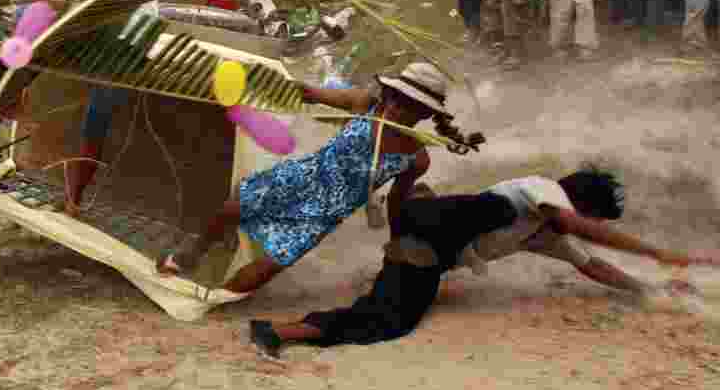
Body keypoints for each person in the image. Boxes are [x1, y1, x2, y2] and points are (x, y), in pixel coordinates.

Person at [249, 168, 717, 360]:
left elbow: (592, 265)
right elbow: (576, 229)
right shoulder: (544, 192)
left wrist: (647, 290)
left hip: (421, 247)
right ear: (582, 203)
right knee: (387, 322)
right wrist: (658, 254)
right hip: (422, 241)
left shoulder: (540, 230)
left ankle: (406, 200)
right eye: (593, 215)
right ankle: (279, 332)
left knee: (390, 302)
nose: (588, 222)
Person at [156, 62, 485, 295]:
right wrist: (269, 84)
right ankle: (192, 255)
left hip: (325, 213)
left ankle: (215, 298)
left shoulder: (416, 158)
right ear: (388, 94)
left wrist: (396, 239)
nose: (399, 110)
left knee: (268, 268)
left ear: (427, 114)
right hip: (301, 177)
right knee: (232, 209)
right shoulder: (363, 104)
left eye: (412, 108)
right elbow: (311, 94)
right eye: (397, 99)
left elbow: (398, 200)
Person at [16, 0, 155, 217]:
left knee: (29, 19)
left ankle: (14, 99)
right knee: (96, 121)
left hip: (114, 41)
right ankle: (74, 199)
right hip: (139, 45)